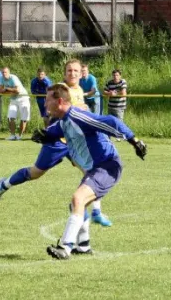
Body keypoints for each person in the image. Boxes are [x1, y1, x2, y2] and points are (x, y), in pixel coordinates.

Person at [0, 59, 113, 227]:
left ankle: (96, 212)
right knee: (36, 173)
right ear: (64, 73)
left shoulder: (79, 89)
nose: (72, 73)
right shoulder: (59, 89)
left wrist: (83, 107)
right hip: (57, 140)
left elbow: (78, 110)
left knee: (92, 172)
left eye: (76, 71)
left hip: (74, 142)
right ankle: (4, 184)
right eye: (69, 70)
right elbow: (52, 109)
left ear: (82, 73)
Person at [37, 83, 147, 259]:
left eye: (47, 100)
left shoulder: (77, 116)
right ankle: (83, 246)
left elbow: (111, 121)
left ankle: (65, 248)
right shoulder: (64, 120)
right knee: (76, 204)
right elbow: (56, 131)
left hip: (107, 166)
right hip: (96, 168)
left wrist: (135, 141)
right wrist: (45, 135)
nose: (44, 104)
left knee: (78, 198)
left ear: (59, 101)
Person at [0, 67, 31, 140]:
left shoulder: (13, 78)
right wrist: (10, 90)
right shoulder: (1, 78)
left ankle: (20, 136)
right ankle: (12, 136)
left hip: (23, 98)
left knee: (24, 118)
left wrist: (6, 89)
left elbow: (18, 90)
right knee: (10, 117)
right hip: (13, 99)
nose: (4, 74)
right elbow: (0, 90)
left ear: (9, 72)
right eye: (3, 72)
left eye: (5, 72)